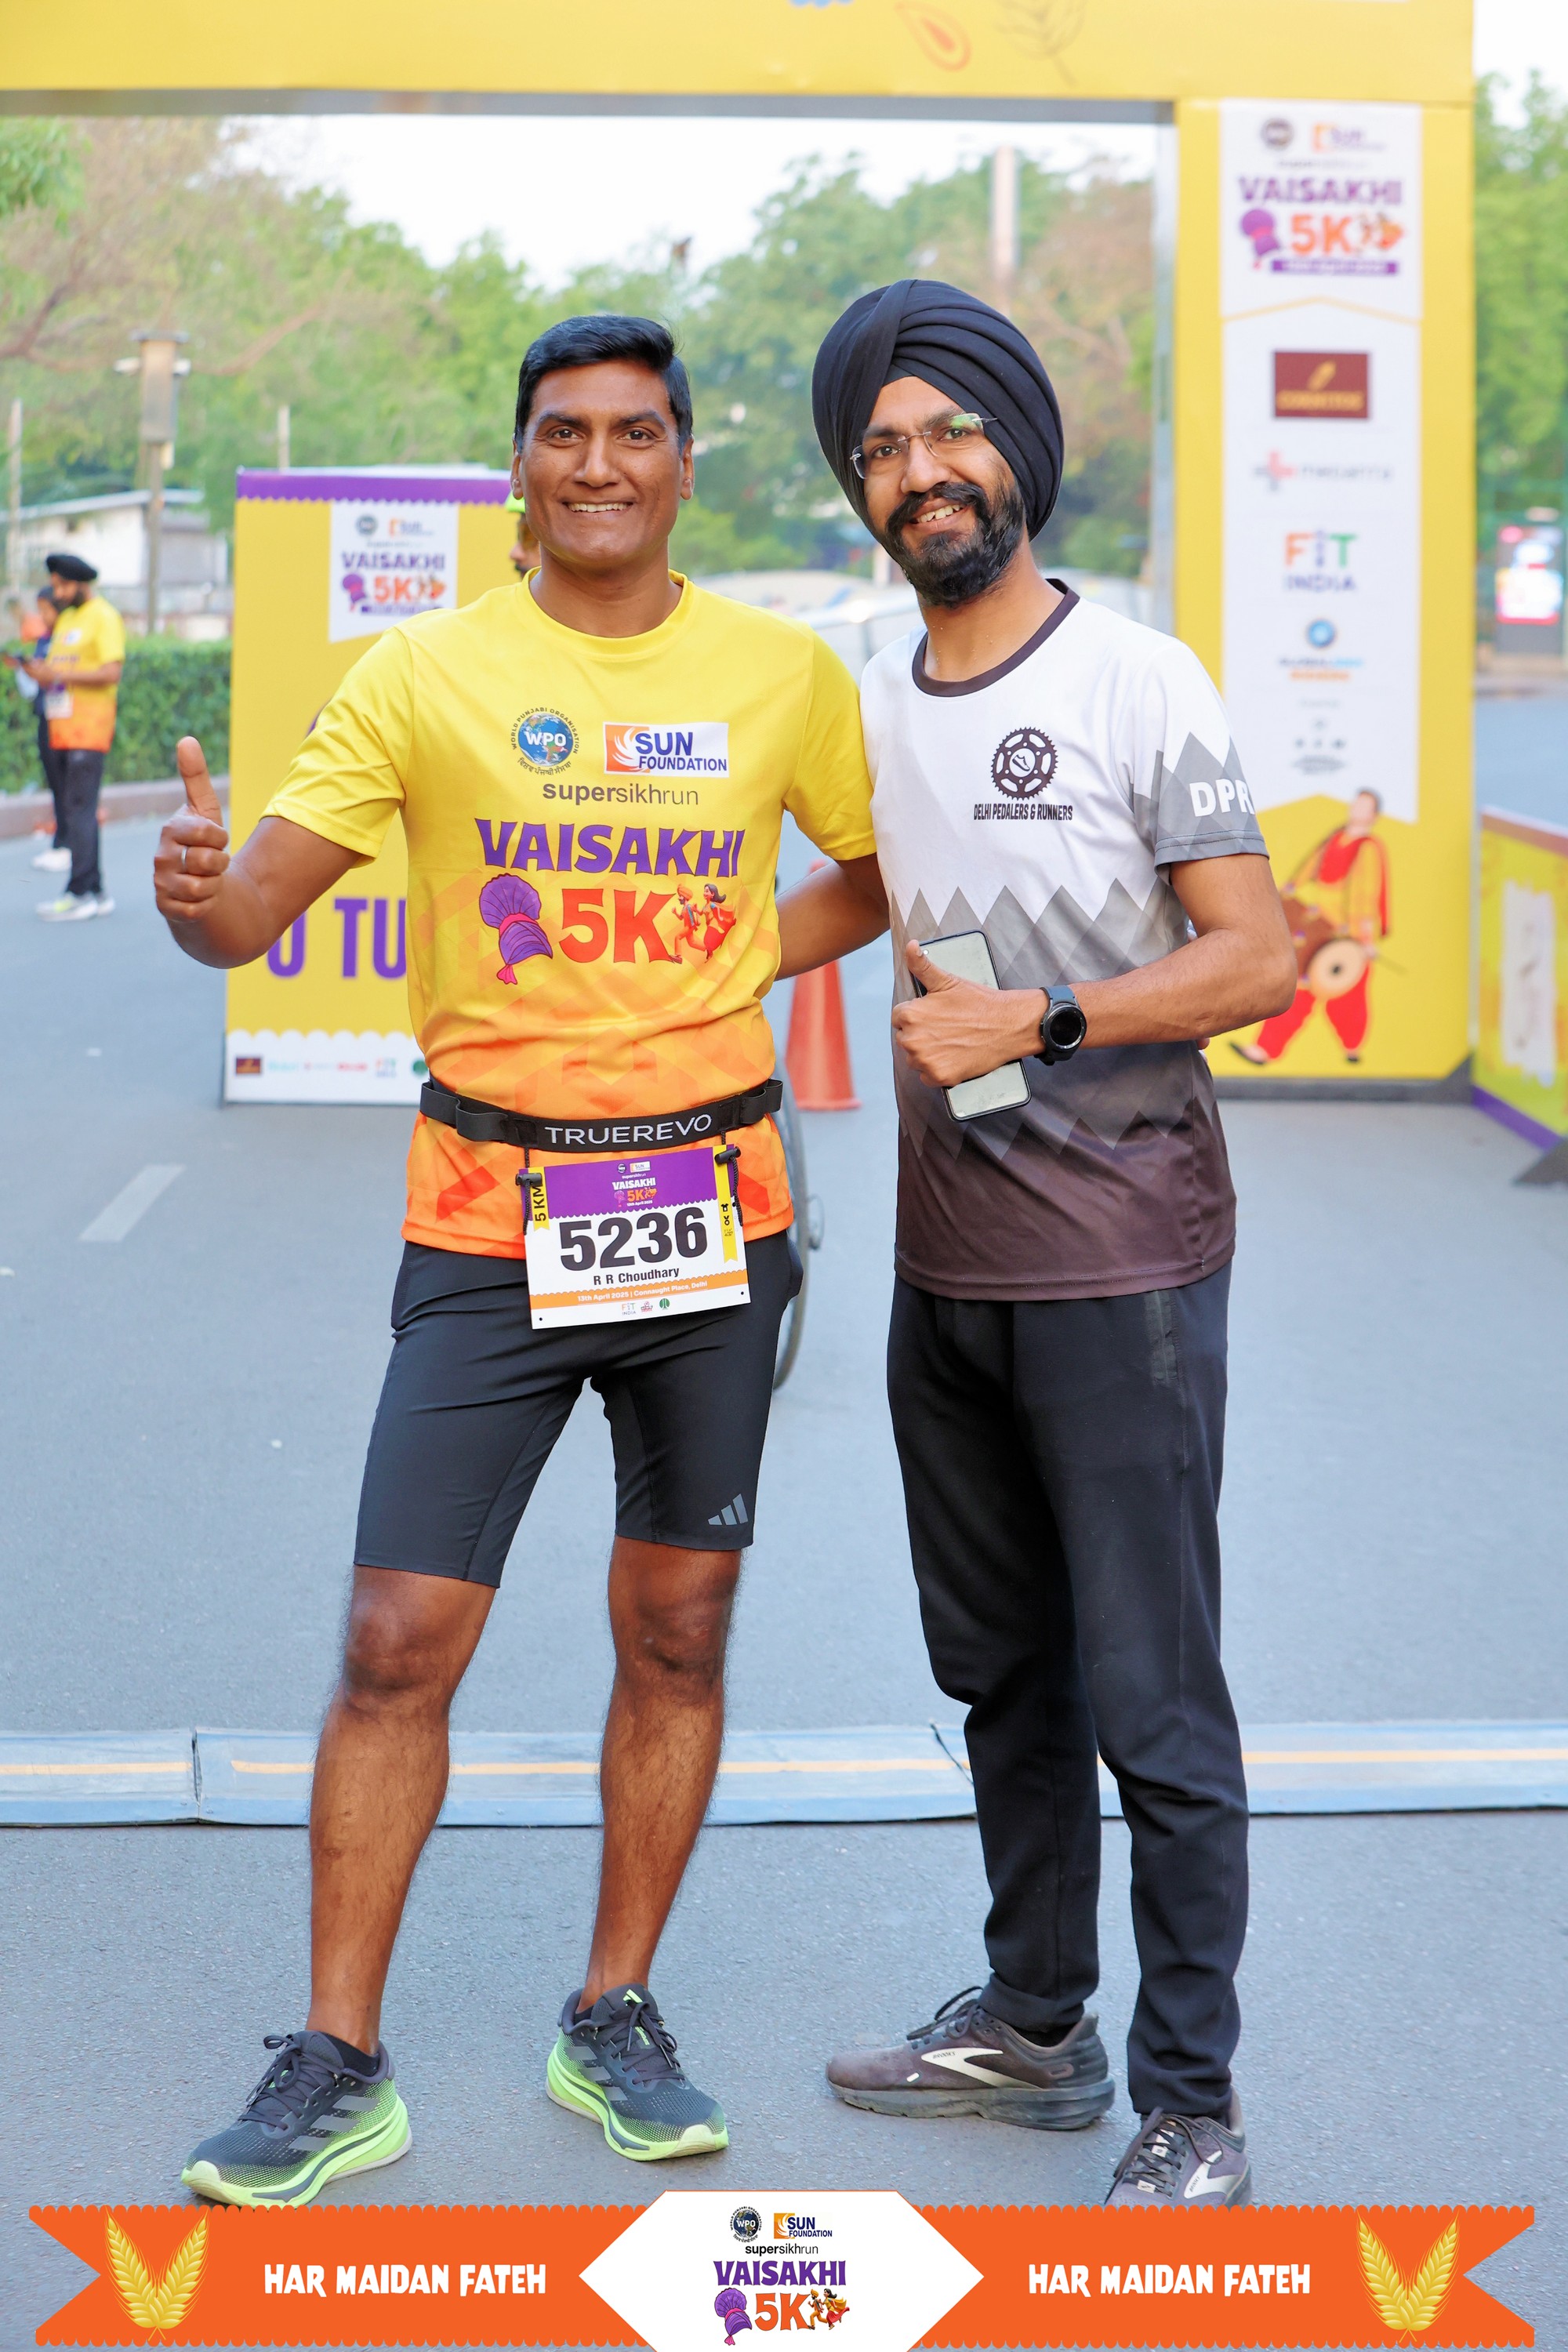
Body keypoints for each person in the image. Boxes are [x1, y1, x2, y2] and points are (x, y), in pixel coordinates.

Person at [154, 313, 883, 2207]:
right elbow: (247, 918)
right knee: (395, 1640)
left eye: (635, 432)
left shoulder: (784, 675)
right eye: (564, 433)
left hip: (706, 1215)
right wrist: (197, 896)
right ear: (520, 466)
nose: (598, 465)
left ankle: (611, 2006)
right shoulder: (425, 671)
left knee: (679, 1627)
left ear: (682, 461)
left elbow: (886, 869)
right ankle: (336, 2055)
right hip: (486, 1216)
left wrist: (739, 950)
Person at [779, 278, 1296, 2206]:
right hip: (949, 1270)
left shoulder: (1135, 681)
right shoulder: (869, 688)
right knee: (1002, 1670)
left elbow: (1251, 953)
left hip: (1124, 1262)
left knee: (1150, 1692)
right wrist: (657, 967)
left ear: (1016, 451)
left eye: (948, 432)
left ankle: (1194, 2100)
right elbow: (865, 882)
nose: (919, 471)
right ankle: (1032, 2020)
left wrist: (1046, 1019)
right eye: (881, 448)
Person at [1230, 787, 1388, 1066]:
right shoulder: (1337, 837)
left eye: (1365, 807)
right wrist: (1286, 894)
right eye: (1357, 804)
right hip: (1318, 922)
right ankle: (1265, 1049)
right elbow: (1308, 869)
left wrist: (1365, 938)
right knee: (1300, 986)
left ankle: (1352, 1045)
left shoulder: (1368, 848)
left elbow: (1367, 893)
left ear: (1374, 816)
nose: (1357, 809)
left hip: (1345, 931)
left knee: (1349, 994)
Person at [26, 552, 124, 920]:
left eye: (64, 586)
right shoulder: (67, 619)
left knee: (79, 809)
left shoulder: (104, 616)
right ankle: (95, 891)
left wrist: (60, 676)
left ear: (82, 583)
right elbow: (58, 670)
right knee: (74, 809)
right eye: (55, 586)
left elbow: (111, 672)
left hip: (89, 730)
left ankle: (79, 891)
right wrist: (40, 672)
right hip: (61, 729)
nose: (59, 593)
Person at [2, 586, 69, 869]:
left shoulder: (67, 640)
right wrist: (24, 668)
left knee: (70, 788)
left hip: (68, 720)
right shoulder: (44, 639)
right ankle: (61, 843)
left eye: (46, 610)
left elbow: (63, 678)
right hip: (46, 715)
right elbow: (38, 683)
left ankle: (69, 846)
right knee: (56, 784)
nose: (42, 616)